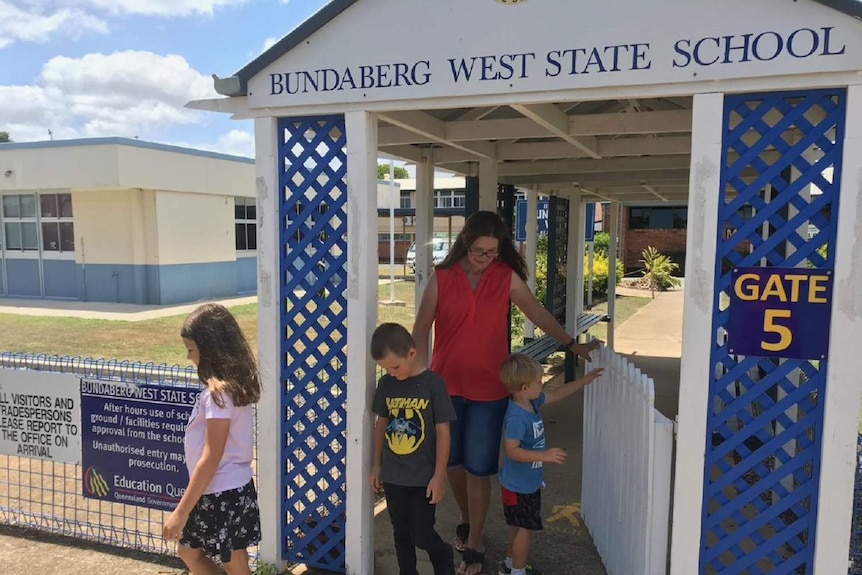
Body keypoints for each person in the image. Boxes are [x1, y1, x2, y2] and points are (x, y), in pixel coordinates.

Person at [413, 210, 600, 575]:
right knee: (452, 464)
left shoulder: (505, 277)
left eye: (492, 252)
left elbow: (538, 313)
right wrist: (422, 375)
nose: (485, 259)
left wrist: (569, 343)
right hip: (445, 386)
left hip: (489, 390)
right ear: (465, 244)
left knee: (479, 467)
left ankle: (478, 539)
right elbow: (421, 328)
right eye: (479, 251)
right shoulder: (441, 277)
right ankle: (467, 519)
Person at [163, 303, 262, 575]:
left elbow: (211, 457)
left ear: (211, 350)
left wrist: (180, 512)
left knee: (234, 564)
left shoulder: (218, 395)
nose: (188, 356)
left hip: (223, 493)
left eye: (191, 349)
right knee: (189, 552)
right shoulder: (225, 390)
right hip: (217, 491)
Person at [497, 354, 604, 575]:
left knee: (518, 525)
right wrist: (544, 456)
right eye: (539, 381)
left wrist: (584, 381)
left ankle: (510, 563)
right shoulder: (517, 417)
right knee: (525, 528)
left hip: (525, 483)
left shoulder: (532, 402)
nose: (542, 384)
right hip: (519, 486)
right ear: (525, 387)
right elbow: (512, 450)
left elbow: (557, 394)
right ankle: (517, 571)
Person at [370, 322, 458, 575]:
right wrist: (377, 465)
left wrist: (439, 475)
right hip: (394, 475)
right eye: (385, 369)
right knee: (401, 532)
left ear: (412, 352)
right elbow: (381, 425)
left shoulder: (434, 384)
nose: (391, 372)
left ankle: (442, 554)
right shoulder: (387, 384)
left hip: (423, 477)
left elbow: (443, 432)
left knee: (421, 533)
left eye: (395, 366)